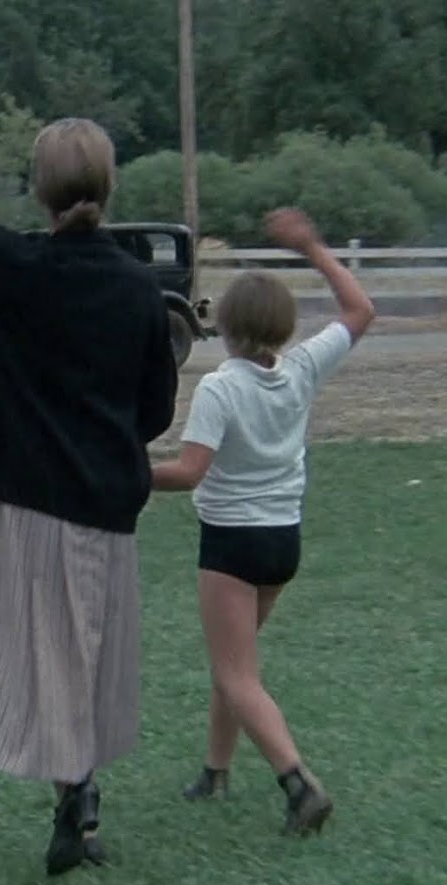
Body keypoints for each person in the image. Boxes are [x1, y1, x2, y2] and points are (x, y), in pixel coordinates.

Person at [0, 70, 180, 875]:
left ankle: (76, 796)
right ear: (107, 187)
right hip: (105, 507)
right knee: (83, 657)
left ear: (39, 191)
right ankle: (76, 800)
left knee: (43, 656)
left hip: (28, 503)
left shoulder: (14, 267)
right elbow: (154, 409)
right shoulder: (140, 290)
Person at [149, 207, 376, 836]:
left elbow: (189, 472)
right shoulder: (301, 368)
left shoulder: (220, 388)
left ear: (223, 326)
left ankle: (299, 785)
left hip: (232, 545)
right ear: (282, 326)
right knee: (235, 665)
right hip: (283, 543)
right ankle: (215, 772)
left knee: (235, 673)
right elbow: (360, 310)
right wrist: (313, 247)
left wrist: (128, 474)